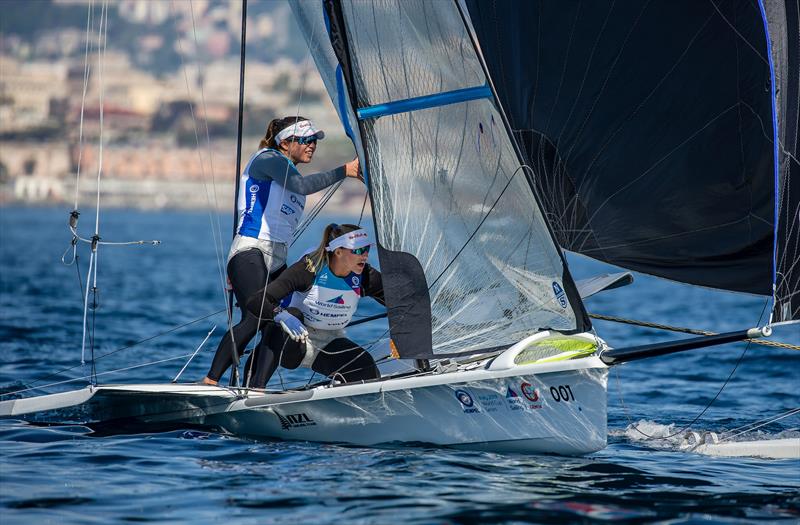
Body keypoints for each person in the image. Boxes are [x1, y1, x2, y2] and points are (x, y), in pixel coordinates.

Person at [203, 117, 361, 386]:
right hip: (250, 251)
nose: (312, 145)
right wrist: (344, 170)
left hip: (276, 259)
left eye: (315, 141)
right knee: (257, 316)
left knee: (280, 324)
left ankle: (256, 389)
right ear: (285, 143)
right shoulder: (268, 159)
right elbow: (301, 186)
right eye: (306, 140)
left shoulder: (289, 170)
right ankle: (210, 380)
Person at [243, 223, 383, 388]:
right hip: (295, 343)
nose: (365, 255)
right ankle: (256, 389)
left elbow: (399, 299)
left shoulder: (365, 276)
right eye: (358, 251)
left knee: (367, 368)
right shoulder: (309, 269)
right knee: (289, 315)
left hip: (329, 343)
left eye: (366, 249)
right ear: (338, 251)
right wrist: (279, 314)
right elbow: (256, 301)